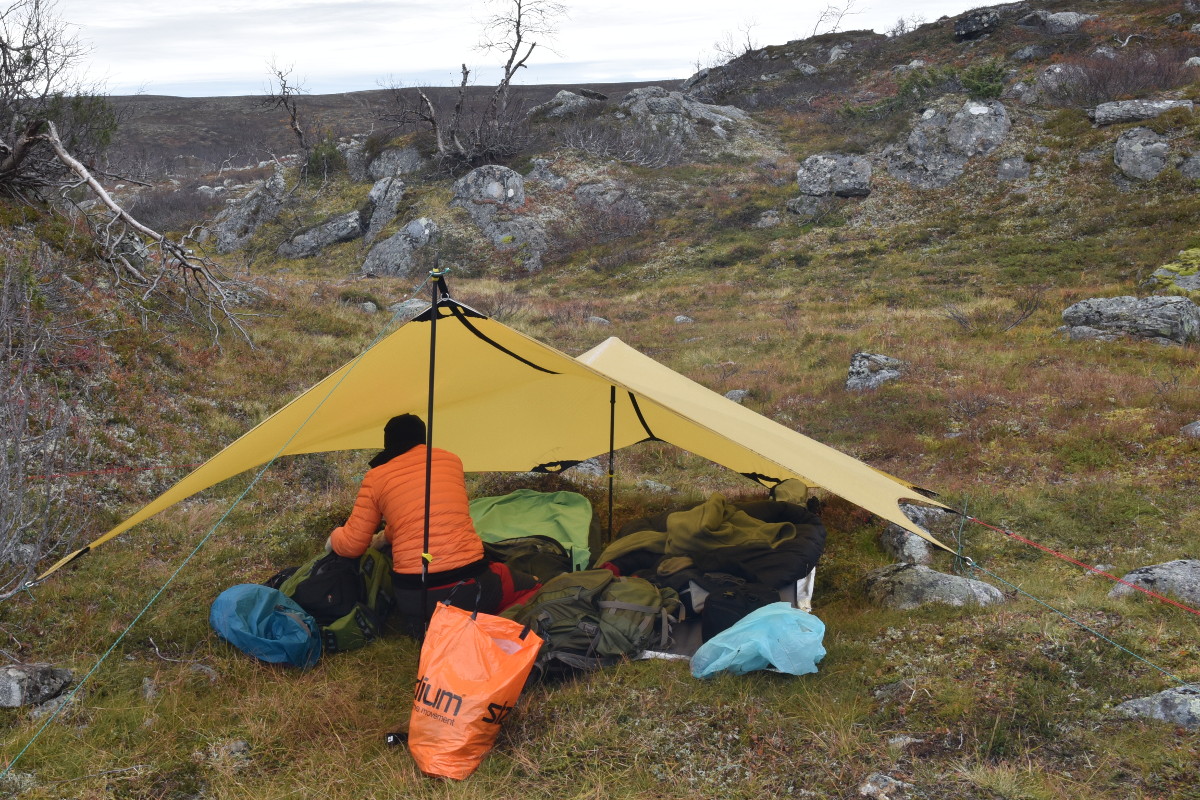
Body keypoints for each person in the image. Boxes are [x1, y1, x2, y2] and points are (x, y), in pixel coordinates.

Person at [328, 413, 534, 635]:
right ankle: (494, 627)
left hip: (413, 597)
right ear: (422, 438)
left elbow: (351, 545)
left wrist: (334, 537)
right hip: (470, 586)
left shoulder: (376, 476)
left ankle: (428, 622)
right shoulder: (451, 461)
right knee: (531, 585)